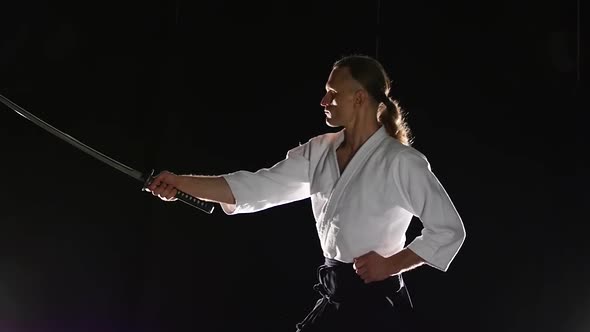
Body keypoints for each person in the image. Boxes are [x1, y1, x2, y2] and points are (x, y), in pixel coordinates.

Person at [145, 54, 466, 332]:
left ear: (359, 98)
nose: (324, 102)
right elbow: (256, 187)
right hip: (335, 294)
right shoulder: (320, 152)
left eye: (332, 93)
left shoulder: (401, 162)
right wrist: (181, 182)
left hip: (375, 302)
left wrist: (391, 264)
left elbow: (448, 230)